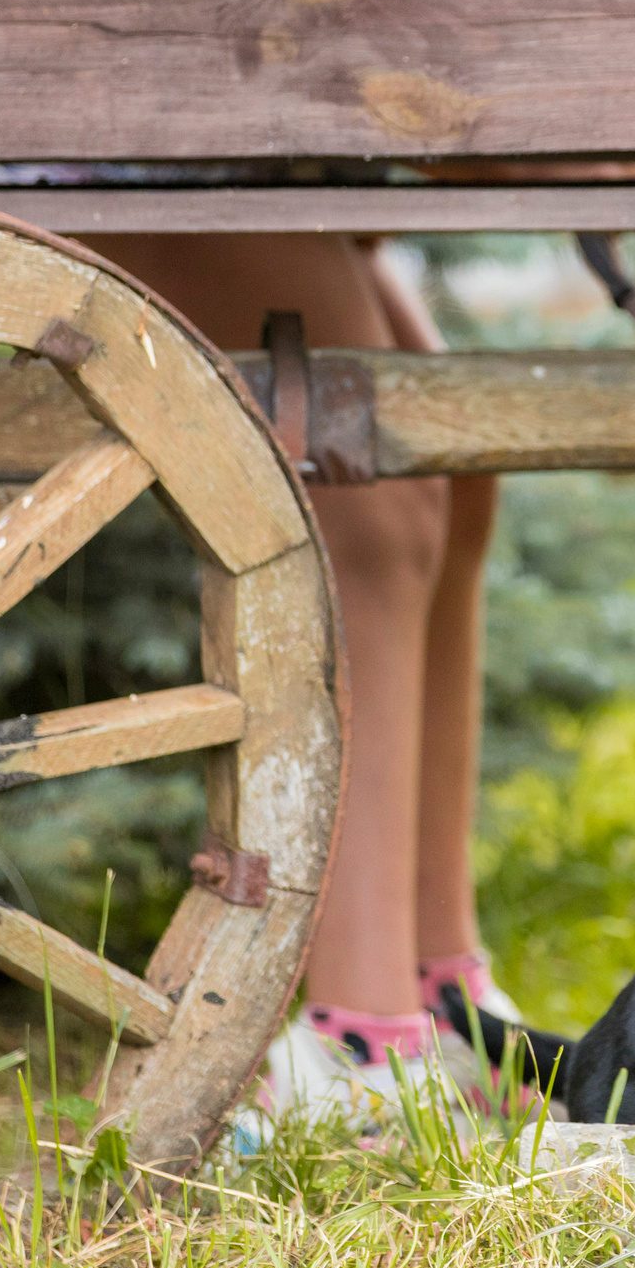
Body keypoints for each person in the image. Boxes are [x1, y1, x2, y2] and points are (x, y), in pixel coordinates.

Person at [82, 233, 521, 1113]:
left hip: (251, 159)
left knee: (451, 475)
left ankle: (443, 995)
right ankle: (362, 1043)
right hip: (141, 149)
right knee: (370, 521)